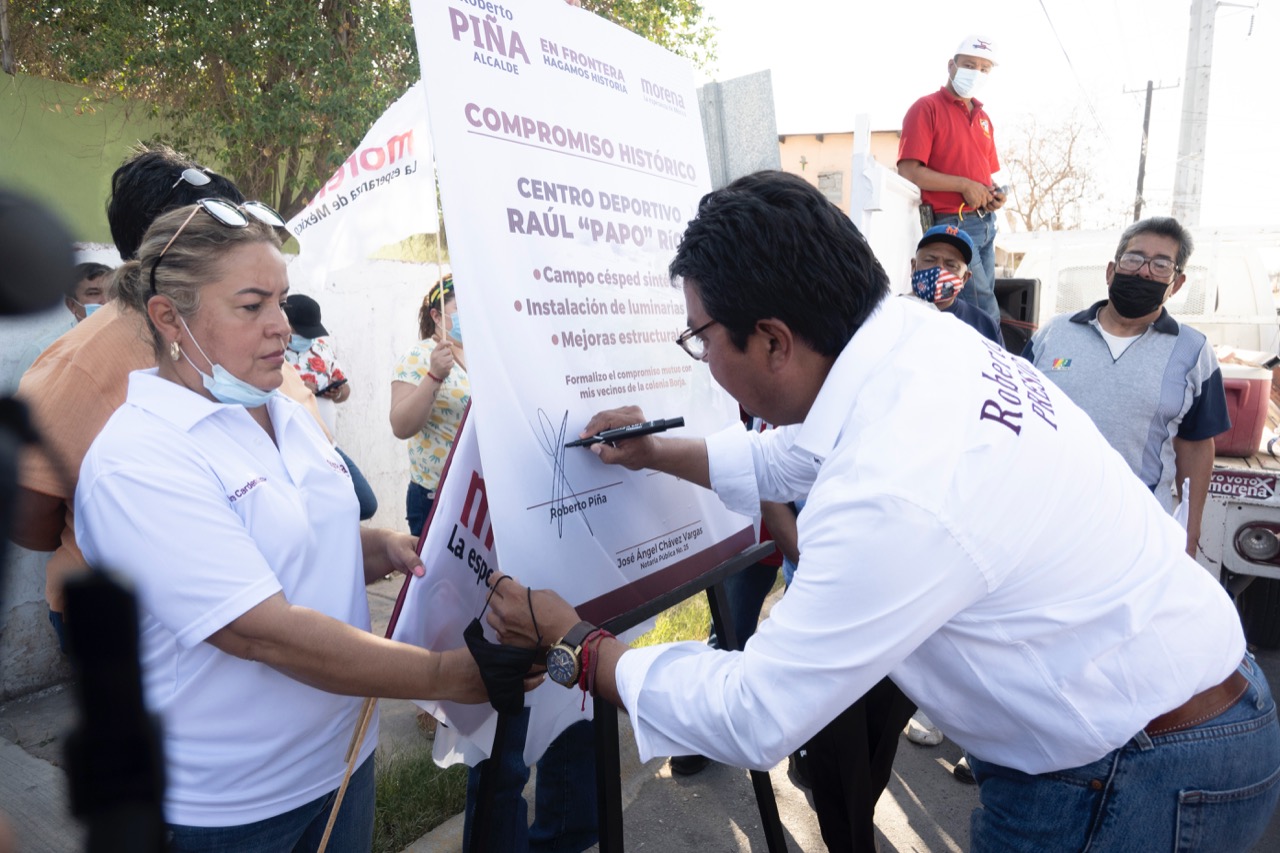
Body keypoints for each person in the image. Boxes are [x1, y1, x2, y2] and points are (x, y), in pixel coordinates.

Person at [485, 171, 1279, 852]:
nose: (702, 355)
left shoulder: (897, 481)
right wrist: (657, 451)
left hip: (1132, 767)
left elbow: (757, 710)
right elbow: (796, 456)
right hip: (1166, 713)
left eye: (699, 336)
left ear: (770, 339)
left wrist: (578, 645)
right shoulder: (909, 342)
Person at [73, 201, 491, 849]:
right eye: (251, 305)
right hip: (231, 802)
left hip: (341, 760)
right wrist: (443, 675)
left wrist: (379, 547)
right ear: (168, 317)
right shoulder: (138, 460)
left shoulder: (279, 409)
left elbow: (296, 532)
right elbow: (265, 634)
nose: (281, 326)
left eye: (283, 300)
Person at [10, 143, 332, 653]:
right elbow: (28, 513)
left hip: (275, 595)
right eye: (210, 227)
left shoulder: (249, 345)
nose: (278, 323)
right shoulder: (79, 364)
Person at [1024, 217, 1229, 558]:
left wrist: (1189, 538)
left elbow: (1195, 447)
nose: (1144, 272)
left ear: (1176, 284)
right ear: (1110, 270)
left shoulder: (1193, 352)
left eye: (1161, 264)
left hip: (1136, 531)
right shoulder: (1053, 333)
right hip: (1045, 518)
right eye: (1134, 259)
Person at [898, 34, 1006, 325]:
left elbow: (984, 175)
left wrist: (993, 194)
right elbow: (909, 171)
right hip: (952, 223)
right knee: (983, 309)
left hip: (985, 224)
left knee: (975, 305)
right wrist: (963, 185)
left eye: (984, 69)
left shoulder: (984, 119)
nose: (977, 73)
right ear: (951, 65)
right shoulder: (926, 108)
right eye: (969, 65)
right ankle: (991, 366)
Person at [283, 293, 379, 520]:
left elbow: (345, 389)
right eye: (302, 332)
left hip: (327, 442)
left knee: (364, 503)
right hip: (297, 445)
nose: (308, 338)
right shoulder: (273, 353)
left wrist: (338, 392)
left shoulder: (322, 348)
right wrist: (298, 386)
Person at [389, 275, 470, 538]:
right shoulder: (419, 356)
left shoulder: (481, 354)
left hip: (477, 492)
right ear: (436, 316)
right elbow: (401, 425)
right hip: (436, 496)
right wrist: (434, 374)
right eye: (460, 307)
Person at [907, 224, 1003, 347]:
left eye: (951, 265)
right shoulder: (888, 312)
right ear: (913, 267)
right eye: (930, 260)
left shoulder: (984, 326)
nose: (939, 269)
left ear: (964, 279)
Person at [15, 261, 113, 375]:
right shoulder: (43, 351)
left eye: (112, 292)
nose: (106, 301)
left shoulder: (128, 342)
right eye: (93, 293)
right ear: (71, 305)